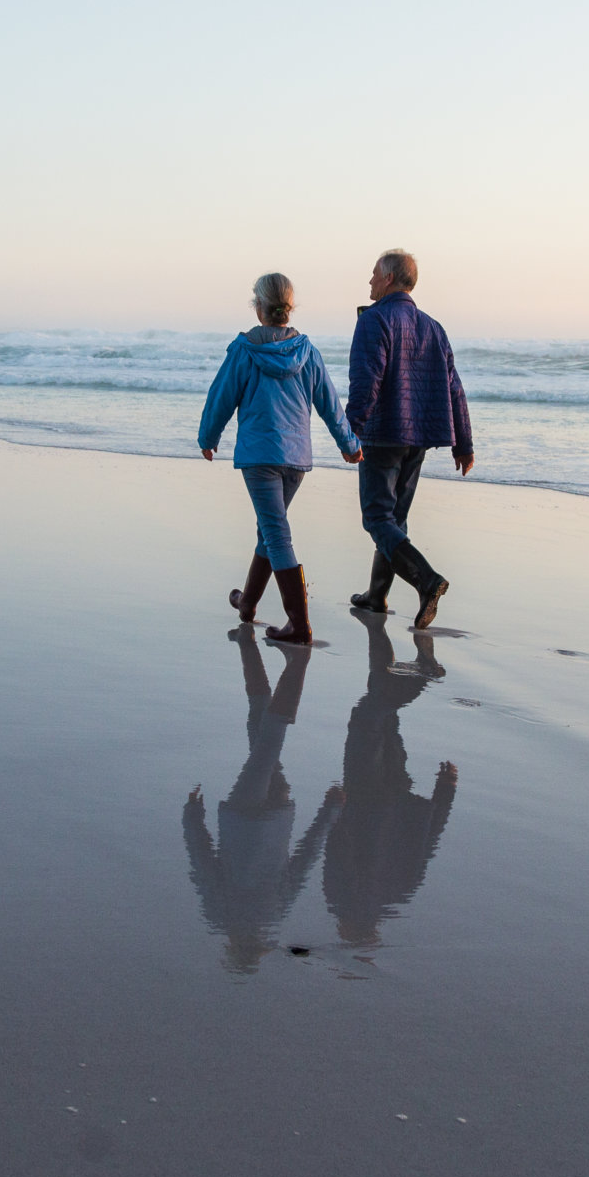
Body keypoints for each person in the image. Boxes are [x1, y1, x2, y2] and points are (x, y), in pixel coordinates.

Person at [198, 272, 362, 645]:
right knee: (269, 530)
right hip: (296, 458)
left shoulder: (244, 350)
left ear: (259, 308)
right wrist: (349, 442)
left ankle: (298, 624)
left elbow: (221, 396)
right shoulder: (307, 352)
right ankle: (248, 603)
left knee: (275, 532)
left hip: (260, 457)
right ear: (289, 309)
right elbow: (330, 405)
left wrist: (208, 437)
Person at [181, 628, 339, 973]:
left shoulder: (273, 917)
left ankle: (249, 650)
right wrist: (191, 818)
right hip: (243, 818)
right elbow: (203, 865)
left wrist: (328, 813)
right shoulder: (221, 916)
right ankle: (295, 665)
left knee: (260, 732)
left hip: (278, 815)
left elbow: (302, 863)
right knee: (266, 740)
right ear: (234, 947)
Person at [343, 248, 473, 627]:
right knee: (394, 518)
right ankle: (376, 597)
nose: (368, 281)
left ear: (388, 278)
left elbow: (366, 379)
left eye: (372, 274)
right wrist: (464, 443)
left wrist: (352, 428)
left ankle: (427, 580)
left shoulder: (375, 321)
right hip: (419, 436)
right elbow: (455, 388)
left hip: (384, 433)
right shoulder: (434, 327)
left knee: (377, 518)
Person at [322, 608, 459, 948]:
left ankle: (378, 633)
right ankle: (422, 678)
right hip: (364, 797)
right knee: (366, 717)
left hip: (399, 793)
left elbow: (427, 844)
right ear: (352, 933)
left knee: (384, 717)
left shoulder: (400, 896)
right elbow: (336, 853)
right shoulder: (342, 900)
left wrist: (446, 792)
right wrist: (333, 811)